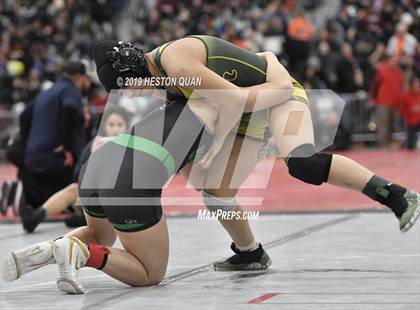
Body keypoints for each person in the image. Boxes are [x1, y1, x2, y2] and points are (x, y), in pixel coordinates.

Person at [2, 36, 419, 294]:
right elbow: (208, 113)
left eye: (130, 88)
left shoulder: (177, 65)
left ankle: (394, 193)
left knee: (304, 164)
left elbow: (236, 99)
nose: (131, 96)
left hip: (273, 95)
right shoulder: (163, 76)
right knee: (215, 191)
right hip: (236, 105)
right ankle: (250, 252)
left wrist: (275, 78)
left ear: (136, 71)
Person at [19, 105, 133, 232]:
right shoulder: (94, 144)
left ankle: (86, 219)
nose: (115, 129)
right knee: (73, 189)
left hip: (119, 198)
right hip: (95, 196)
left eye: (119, 125)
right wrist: (94, 154)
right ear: (104, 126)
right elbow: (78, 175)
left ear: (126, 126)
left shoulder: (132, 145)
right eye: (111, 125)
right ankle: (35, 217)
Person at [20, 62, 91, 213]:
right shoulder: (71, 90)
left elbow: (23, 116)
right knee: (81, 182)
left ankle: (28, 199)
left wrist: (27, 144)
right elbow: (69, 107)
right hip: (57, 162)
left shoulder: (47, 92)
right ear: (79, 77)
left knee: (41, 198)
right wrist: (65, 146)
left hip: (33, 161)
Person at [400, 76, 420, 150]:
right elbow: (402, 110)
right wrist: (411, 110)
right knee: (410, 145)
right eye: (415, 86)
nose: (417, 88)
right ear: (411, 86)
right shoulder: (405, 96)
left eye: (418, 86)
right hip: (411, 122)